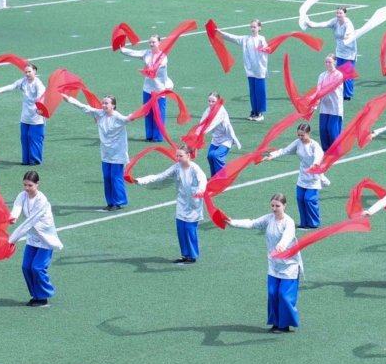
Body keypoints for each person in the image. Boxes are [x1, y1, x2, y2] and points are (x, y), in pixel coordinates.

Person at [227, 193, 301, 332]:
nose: (274, 208)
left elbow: (288, 235)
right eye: (272, 205)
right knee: (273, 293)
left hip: (289, 264)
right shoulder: (269, 219)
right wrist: (232, 222)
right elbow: (252, 223)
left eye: (277, 206)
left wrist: (282, 245)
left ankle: (284, 325)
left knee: (284, 295)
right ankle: (275, 322)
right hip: (274, 264)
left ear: (284, 205)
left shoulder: (288, 222)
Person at [135, 144, 209, 264]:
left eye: (181, 156)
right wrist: (140, 180)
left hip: (193, 203)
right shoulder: (176, 167)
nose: (178, 158)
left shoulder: (195, 168)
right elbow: (160, 176)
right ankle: (185, 255)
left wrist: (201, 191)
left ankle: (193, 255)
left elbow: (203, 180)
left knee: (189, 229)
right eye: (177, 156)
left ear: (188, 156)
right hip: (181, 202)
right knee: (181, 228)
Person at [63, 93, 130, 210]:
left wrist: (142, 111)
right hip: (105, 152)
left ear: (113, 105)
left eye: (107, 103)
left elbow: (129, 118)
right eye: (103, 103)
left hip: (118, 153)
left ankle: (118, 202)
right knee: (107, 177)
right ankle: (110, 202)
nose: (104, 105)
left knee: (115, 177)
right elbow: (84, 107)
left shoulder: (118, 118)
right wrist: (70, 99)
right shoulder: (99, 114)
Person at [8, 170, 62, 307]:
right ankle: (35, 295)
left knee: (37, 267)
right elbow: (16, 208)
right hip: (33, 235)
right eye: (25, 185)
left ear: (37, 184)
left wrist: (11, 239)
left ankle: (43, 297)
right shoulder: (22, 195)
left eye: (30, 185)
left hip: (45, 236)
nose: (26, 188)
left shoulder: (41, 200)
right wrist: (12, 217)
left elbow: (29, 222)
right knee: (26, 266)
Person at [263, 122, 326, 229]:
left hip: (313, 176)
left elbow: (319, 156)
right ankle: (304, 223)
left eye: (303, 135)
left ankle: (314, 223)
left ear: (309, 133)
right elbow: (285, 150)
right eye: (299, 135)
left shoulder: (314, 145)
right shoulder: (298, 143)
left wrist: (315, 165)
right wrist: (272, 156)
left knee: (309, 199)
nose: (300, 137)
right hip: (303, 175)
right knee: (300, 198)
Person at [0, 62, 47, 164]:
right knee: (24, 137)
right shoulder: (23, 82)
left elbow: (41, 96)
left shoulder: (38, 84)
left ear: (35, 71)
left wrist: (40, 107)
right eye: (26, 72)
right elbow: (11, 86)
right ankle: (26, 160)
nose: (27, 74)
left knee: (34, 137)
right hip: (25, 116)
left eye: (29, 72)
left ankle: (35, 161)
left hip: (37, 116)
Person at [119, 35, 173, 141]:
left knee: (159, 113)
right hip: (148, 88)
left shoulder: (163, 57)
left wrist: (150, 69)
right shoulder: (146, 53)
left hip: (160, 89)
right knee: (147, 112)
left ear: (159, 43)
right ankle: (149, 135)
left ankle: (158, 136)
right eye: (150, 42)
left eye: (154, 42)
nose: (151, 44)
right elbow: (134, 53)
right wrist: (122, 49)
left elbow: (157, 67)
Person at [217, 19, 271, 121]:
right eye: (251, 27)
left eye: (255, 27)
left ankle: (260, 112)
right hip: (250, 69)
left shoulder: (261, 39)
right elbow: (233, 38)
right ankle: (254, 111)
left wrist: (266, 49)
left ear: (259, 28)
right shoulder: (246, 39)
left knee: (260, 91)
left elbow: (266, 49)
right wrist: (221, 33)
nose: (252, 29)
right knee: (252, 91)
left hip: (259, 69)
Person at [306, 7, 357, 99]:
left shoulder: (348, 24)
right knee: (339, 73)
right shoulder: (335, 21)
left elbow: (349, 32)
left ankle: (348, 95)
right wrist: (313, 25)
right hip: (339, 51)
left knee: (348, 74)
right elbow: (325, 24)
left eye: (340, 13)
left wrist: (347, 35)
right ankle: (340, 92)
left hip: (349, 52)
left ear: (345, 14)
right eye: (337, 13)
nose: (338, 15)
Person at [199, 93, 243, 177]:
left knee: (217, 156)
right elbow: (202, 123)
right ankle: (214, 177)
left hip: (226, 138)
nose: (211, 103)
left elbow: (212, 123)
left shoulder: (221, 111)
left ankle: (222, 178)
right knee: (210, 156)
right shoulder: (208, 110)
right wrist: (197, 134)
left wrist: (202, 132)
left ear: (218, 101)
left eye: (213, 101)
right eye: (209, 101)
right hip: (216, 138)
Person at [315, 55, 345, 150]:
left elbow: (332, 87)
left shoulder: (339, 75)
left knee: (331, 128)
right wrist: (316, 102)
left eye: (330, 62)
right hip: (325, 105)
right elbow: (318, 89)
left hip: (335, 105)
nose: (328, 64)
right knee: (323, 128)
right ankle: (326, 149)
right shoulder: (322, 75)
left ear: (335, 62)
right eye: (326, 62)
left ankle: (336, 149)